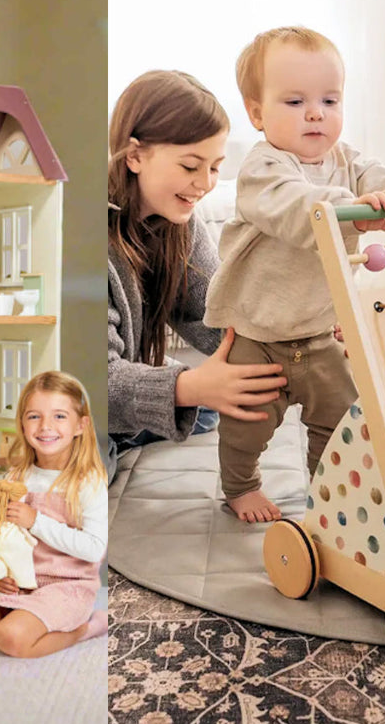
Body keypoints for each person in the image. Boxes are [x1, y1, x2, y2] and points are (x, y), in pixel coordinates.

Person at [205, 27, 385, 523]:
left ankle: (327, 490)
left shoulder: (349, 162)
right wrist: (354, 211)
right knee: (246, 425)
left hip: (321, 331)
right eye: (295, 101)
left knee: (342, 416)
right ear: (256, 113)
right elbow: (295, 208)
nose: (316, 113)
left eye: (330, 99)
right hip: (258, 334)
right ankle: (240, 486)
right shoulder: (263, 168)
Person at [106, 71, 287, 468]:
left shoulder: (180, 226)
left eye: (215, 167)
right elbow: (95, 377)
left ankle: (123, 430)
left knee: (205, 409)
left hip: (129, 381)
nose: (204, 184)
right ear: (134, 156)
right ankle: (113, 437)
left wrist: (299, 335)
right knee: (88, 467)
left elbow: (220, 311)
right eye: (190, 166)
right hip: (80, 396)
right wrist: (186, 387)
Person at [0, 371, 107, 658]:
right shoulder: (17, 475)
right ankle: (19, 614)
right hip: (20, 582)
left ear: (80, 425)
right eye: (34, 416)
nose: (46, 426)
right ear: (22, 424)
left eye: (59, 416)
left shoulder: (88, 481)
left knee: (11, 639)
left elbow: (93, 549)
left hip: (65, 586)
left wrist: (35, 521)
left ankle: (85, 628)